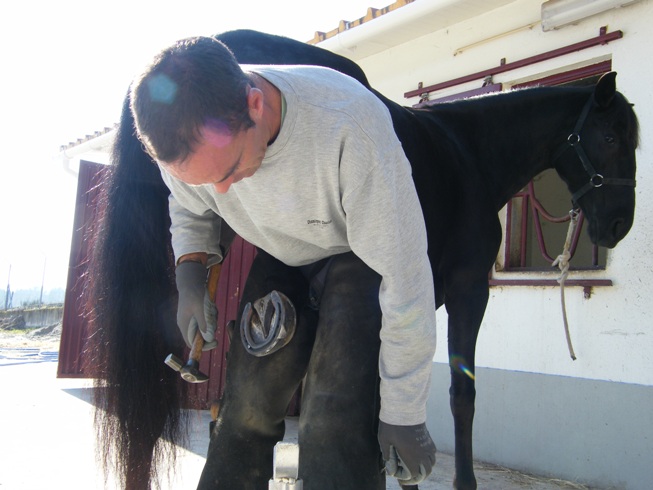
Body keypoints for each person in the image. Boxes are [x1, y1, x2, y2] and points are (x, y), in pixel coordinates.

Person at [131, 36, 437, 488]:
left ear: (255, 104)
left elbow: (406, 282)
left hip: (358, 255)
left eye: (230, 170)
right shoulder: (183, 134)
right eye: (205, 180)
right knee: (244, 412)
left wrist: (404, 414)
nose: (221, 192)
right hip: (283, 253)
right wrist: (191, 269)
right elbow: (189, 203)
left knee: (333, 421)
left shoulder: (350, 128)